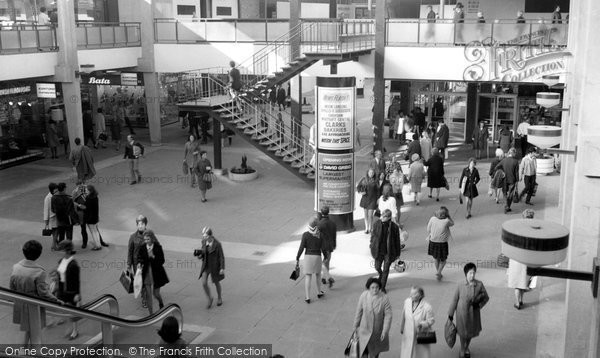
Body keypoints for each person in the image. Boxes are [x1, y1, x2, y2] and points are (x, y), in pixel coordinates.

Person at [10, 240, 62, 345]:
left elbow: (12, 287)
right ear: (39, 254)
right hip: (34, 305)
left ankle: (24, 351)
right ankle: (30, 352)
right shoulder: (39, 272)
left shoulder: (16, 267)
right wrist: (56, 300)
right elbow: (43, 293)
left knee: (29, 330)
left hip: (20, 302)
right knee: (35, 331)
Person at [448, 262, 489, 358]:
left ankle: (467, 347)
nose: (472, 275)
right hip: (461, 314)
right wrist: (450, 314)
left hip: (474, 314)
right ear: (465, 274)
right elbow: (455, 299)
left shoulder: (479, 284)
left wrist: (479, 305)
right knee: (462, 332)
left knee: (470, 332)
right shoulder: (460, 285)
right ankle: (463, 348)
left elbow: (486, 297)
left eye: (474, 273)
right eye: (470, 273)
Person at [352, 277, 392, 358]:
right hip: (364, 329)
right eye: (372, 287)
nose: (375, 290)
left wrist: (385, 331)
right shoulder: (364, 295)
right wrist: (355, 326)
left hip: (377, 332)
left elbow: (388, 316)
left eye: (377, 287)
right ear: (368, 288)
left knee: (374, 353)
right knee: (363, 352)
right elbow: (359, 311)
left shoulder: (384, 298)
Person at [508, 209, 536, 310]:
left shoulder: (517, 229)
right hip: (527, 259)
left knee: (517, 282)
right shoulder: (534, 230)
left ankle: (517, 302)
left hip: (516, 258)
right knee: (523, 282)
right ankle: (520, 300)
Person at [137, 230, 169, 315]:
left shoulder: (158, 247)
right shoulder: (143, 247)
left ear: (152, 238)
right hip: (146, 273)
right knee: (148, 295)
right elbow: (139, 258)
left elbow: (162, 261)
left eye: (148, 239)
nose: (146, 241)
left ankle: (160, 302)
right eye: (145, 239)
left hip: (157, 273)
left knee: (156, 294)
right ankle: (151, 314)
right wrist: (139, 264)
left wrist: (153, 257)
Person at [370, 209, 401, 292]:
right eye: (382, 216)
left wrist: (398, 254)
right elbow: (373, 236)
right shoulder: (377, 224)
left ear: (389, 217)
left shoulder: (394, 227)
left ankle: (382, 287)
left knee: (386, 270)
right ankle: (381, 274)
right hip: (378, 250)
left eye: (384, 216)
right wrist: (371, 245)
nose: (382, 218)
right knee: (377, 267)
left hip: (389, 252)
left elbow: (397, 241)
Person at [400, 286, 435, 358]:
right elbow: (403, 315)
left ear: (420, 295)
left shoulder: (427, 307)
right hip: (408, 333)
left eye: (414, 294)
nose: (411, 296)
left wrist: (423, 324)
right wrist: (402, 327)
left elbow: (431, 320)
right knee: (407, 352)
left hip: (420, 333)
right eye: (411, 293)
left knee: (420, 353)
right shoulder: (407, 302)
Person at [194, 227, 225, 309]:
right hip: (206, 265)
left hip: (215, 266)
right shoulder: (204, 241)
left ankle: (219, 297)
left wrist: (222, 268)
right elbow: (203, 251)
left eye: (206, 236)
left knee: (216, 282)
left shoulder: (217, 244)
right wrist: (200, 255)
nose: (204, 237)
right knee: (204, 283)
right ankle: (210, 298)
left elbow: (221, 257)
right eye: (203, 236)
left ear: (210, 236)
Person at [55, 240, 80, 340]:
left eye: (60, 250)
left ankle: (75, 330)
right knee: (61, 305)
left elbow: (77, 281)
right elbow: (59, 273)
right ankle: (63, 318)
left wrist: (77, 294)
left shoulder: (73, 264)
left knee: (73, 311)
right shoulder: (61, 261)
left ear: (67, 250)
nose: (59, 252)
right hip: (61, 289)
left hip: (70, 291)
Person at [295, 218, 325, 303]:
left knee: (308, 277)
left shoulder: (305, 235)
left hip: (308, 257)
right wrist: (325, 257)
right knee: (318, 275)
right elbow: (323, 248)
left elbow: (301, 248)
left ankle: (307, 297)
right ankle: (319, 292)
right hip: (317, 257)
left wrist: (297, 257)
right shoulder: (320, 235)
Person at [426, 206, 454, 280]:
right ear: (444, 215)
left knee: (436, 258)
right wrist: (448, 216)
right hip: (442, 243)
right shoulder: (446, 221)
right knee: (443, 260)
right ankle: (439, 272)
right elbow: (452, 223)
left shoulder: (432, 219)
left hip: (433, 242)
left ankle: (439, 272)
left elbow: (428, 229)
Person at [128, 215, 149, 308]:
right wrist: (129, 264)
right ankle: (144, 298)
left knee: (146, 281)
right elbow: (130, 251)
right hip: (137, 263)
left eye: (142, 224)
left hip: (147, 262)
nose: (140, 226)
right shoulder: (132, 237)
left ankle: (145, 295)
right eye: (138, 224)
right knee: (141, 281)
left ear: (145, 224)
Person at [496, 147, 520, 213]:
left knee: (504, 193)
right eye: (515, 153)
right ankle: (508, 206)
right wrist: (517, 181)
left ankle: (506, 205)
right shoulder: (515, 161)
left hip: (504, 180)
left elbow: (497, 167)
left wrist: (502, 173)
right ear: (514, 153)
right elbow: (516, 173)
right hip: (512, 180)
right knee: (510, 194)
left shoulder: (504, 160)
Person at [81, 185, 105, 250]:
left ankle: (97, 246)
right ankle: (99, 244)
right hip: (95, 216)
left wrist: (81, 206)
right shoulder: (95, 197)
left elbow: (87, 208)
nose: (85, 191)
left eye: (86, 190)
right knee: (96, 231)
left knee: (93, 232)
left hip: (90, 218)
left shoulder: (88, 199)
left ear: (90, 191)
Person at [318, 207, 337, 288]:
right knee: (327, 260)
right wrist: (334, 244)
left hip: (321, 244)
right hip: (329, 245)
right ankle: (326, 277)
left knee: (324, 261)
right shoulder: (332, 223)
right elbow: (334, 235)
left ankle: (325, 277)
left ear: (321, 213)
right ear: (328, 212)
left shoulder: (320, 223)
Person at [357, 168, 379, 234]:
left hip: (373, 199)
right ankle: (366, 228)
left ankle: (371, 228)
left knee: (370, 215)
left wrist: (378, 199)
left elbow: (378, 191)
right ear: (367, 173)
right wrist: (360, 192)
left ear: (374, 173)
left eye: (372, 173)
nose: (371, 174)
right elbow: (358, 186)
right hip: (365, 199)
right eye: (370, 172)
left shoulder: (376, 180)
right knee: (366, 215)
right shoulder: (364, 179)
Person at [72, 181, 89, 249]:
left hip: (88, 210)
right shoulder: (74, 192)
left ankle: (100, 241)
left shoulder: (87, 190)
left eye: (82, 185)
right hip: (80, 212)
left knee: (94, 226)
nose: (81, 187)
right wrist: (79, 205)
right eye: (79, 186)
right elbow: (72, 201)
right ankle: (84, 242)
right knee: (83, 227)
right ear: (77, 186)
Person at [43, 182, 59, 250]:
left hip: (55, 216)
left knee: (55, 231)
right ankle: (54, 245)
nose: (57, 191)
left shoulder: (54, 195)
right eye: (55, 189)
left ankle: (55, 243)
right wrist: (46, 220)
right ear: (51, 190)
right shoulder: (48, 198)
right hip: (52, 217)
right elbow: (46, 209)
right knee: (56, 230)